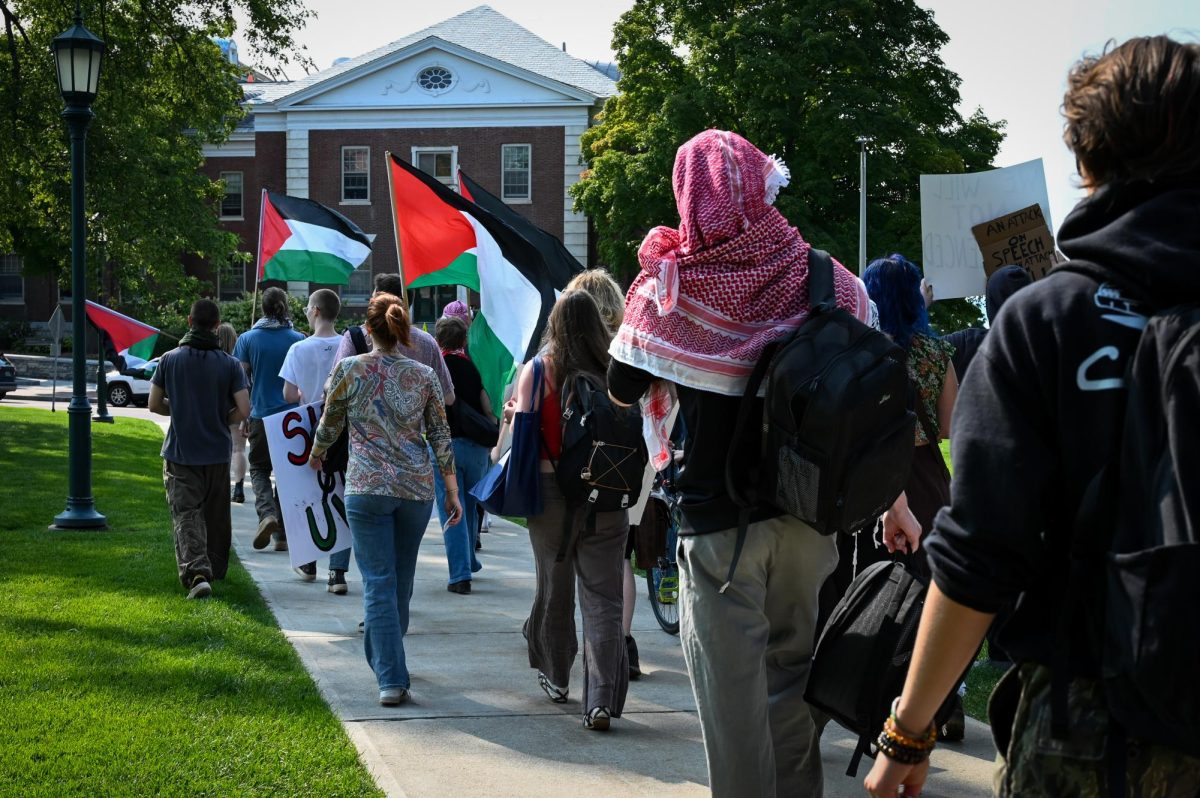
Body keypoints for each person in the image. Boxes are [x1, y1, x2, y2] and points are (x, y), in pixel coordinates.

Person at [864, 36, 1200, 797]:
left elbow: (982, 547)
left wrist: (908, 730)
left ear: (1088, 162)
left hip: (1092, 730)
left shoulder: (1048, 321)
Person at [606, 129, 920, 796]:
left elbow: (622, 386)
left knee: (731, 709)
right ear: (762, 183)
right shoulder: (827, 278)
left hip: (719, 529)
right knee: (793, 689)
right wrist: (894, 501)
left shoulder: (674, 286)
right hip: (811, 518)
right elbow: (866, 391)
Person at [308, 292, 461, 707]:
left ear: (367, 330)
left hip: (366, 487)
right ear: (402, 329)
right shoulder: (424, 375)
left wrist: (316, 453)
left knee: (378, 581)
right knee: (400, 581)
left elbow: (329, 422)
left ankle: (389, 675)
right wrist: (451, 489)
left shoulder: (349, 369)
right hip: (415, 489)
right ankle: (390, 664)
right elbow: (441, 436)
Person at [498, 290, 631, 732]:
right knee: (604, 599)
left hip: (552, 493)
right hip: (609, 496)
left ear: (554, 324)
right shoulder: (615, 369)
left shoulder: (538, 370)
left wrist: (515, 413)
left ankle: (556, 677)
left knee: (554, 588)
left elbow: (523, 439)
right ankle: (601, 699)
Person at [328, 273, 457, 598]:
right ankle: (392, 624)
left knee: (376, 573)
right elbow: (448, 400)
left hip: (366, 468)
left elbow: (332, 389)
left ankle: (338, 571)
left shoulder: (354, 339)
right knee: (400, 572)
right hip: (413, 475)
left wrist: (318, 450)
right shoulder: (426, 345)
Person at [563, 267, 643, 681]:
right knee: (620, 560)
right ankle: (622, 645)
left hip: (587, 465)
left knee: (591, 568)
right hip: (634, 462)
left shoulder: (574, 353)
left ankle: (599, 652)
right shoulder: (631, 343)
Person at [862, 254, 958, 579]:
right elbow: (948, 426)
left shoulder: (860, 352)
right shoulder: (935, 353)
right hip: (927, 479)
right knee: (927, 586)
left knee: (870, 590)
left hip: (870, 480)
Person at [149, 300, 250, 599]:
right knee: (216, 514)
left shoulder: (169, 359)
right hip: (217, 452)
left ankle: (197, 573)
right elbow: (243, 408)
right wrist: (222, 416)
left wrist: (179, 410)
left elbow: (154, 404)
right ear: (217, 326)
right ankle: (215, 569)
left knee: (186, 512)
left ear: (189, 320)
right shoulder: (229, 364)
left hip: (181, 452)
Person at [279, 288, 345, 589]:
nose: (306, 311)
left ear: (316, 310)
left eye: (307, 307)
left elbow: (289, 395)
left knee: (306, 493)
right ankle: (338, 572)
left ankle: (308, 560)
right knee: (339, 494)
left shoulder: (299, 349)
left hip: (308, 429)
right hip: (342, 430)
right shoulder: (349, 344)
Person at [233, 286, 304, 557]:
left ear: (262, 308)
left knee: (260, 468)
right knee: (286, 476)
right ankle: (283, 536)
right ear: (285, 307)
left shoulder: (247, 339)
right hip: (292, 418)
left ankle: (266, 514)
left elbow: (242, 382)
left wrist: (244, 415)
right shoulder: (298, 338)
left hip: (261, 415)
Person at [433, 315, 493, 594]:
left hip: (448, 448)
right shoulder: (472, 367)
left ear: (437, 340)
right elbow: (487, 407)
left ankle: (460, 575)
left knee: (451, 509)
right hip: (477, 448)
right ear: (464, 340)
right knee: (469, 505)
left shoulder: (436, 369)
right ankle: (469, 560)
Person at [943, 265, 1032, 383]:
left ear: (991, 300)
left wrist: (922, 302)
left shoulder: (969, 343)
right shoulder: (1051, 341)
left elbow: (922, 351)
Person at [217, 322, 249, 504]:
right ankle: (238, 487)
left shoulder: (214, 361)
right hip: (237, 410)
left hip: (218, 412)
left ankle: (221, 486)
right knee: (238, 449)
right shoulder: (238, 364)